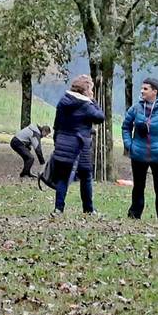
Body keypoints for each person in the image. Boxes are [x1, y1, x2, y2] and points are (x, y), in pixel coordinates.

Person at [122, 78, 158, 221]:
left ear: (155, 91)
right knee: (138, 187)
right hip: (138, 155)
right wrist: (130, 145)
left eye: (146, 89)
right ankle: (134, 215)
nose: (142, 91)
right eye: (142, 88)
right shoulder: (135, 109)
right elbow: (126, 127)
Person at [50, 74, 104, 215]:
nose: (92, 92)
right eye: (91, 89)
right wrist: (93, 101)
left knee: (62, 176)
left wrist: (57, 142)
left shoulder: (63, 102)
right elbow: (100, 117)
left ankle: (58, 209)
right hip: (81, 145)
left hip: (63, 142)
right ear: (85, 90)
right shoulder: (86, 105)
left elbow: (57, 124)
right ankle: (88, 209)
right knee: (86, 176)